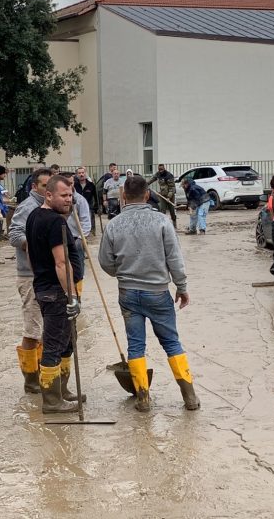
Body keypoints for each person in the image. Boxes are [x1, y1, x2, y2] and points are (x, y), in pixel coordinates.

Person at [98, 175, 199, 412]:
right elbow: (175, 259)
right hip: (158, 293)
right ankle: (190, 398)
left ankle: (143, 398)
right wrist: (181, 287)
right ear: (147, 195)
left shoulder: (114, 224)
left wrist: (120, 274)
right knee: (172, 343)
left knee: (135, 346)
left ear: (123, 196)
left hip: (128, 294)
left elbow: (105, 261)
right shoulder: (162, 222)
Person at [26, 175, 84, 413]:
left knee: (67, 341)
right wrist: (71, 296)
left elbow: (30, 253)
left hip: (44, 287)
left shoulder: (33, 217)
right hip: (56, 291)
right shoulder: (55, 223)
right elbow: (62, 264)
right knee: (54, 344)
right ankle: (51, 400)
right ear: (48, 195)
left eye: (70, 195)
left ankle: (62, 390)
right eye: (63, 195)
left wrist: (38, 277)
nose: (68, 199)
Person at [9, 168, 54, 394]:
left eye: (51, 186)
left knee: (48, 329)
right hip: (29, 275)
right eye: (45, 186)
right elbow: (14, 236)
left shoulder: (53, 206)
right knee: (33, 329)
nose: (48, 190)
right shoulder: (27, 207)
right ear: (35, 186)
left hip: (49, 275)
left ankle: (43, 374)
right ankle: (31, 379)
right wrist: (39, 244)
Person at [148, 164, 178, 229]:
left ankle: (174, 224)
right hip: (162, 195)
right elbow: (152, 179)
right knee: (162, 211)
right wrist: (146, 184)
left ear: (164, 169)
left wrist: (169, 197)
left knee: (172, 211)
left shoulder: (169, 175)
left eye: (161, 169)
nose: (160, 171)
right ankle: (163, 225)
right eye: (159, 170)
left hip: (170, 196)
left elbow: (172, 188)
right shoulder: (158, 174)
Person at [74, 167, 99, 232]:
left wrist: (97, 206)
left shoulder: (91, 185)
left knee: (90, 219)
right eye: (79, 173)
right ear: (77, 175)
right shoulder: (74, 185)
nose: (81, 174)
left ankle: (92, 232)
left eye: (83, 172)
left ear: (85, 173)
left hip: (89, 206)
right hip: (77, 206)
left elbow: (96, 196)